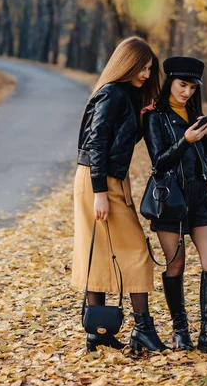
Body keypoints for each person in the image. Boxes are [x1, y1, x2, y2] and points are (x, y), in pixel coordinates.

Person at [71, 36, 167, 353]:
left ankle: (97, 333)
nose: (146, 73)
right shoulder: (112, 94)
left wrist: (142, 121)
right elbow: (96, 145)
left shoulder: (125, 96)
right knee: (137, 252)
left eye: (150, 68)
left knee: (100, 254)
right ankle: (143, 329)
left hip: (110, 181)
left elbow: (118, 142)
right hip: (98, 182)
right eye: (142, 67)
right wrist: (100, 192)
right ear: (127, 63)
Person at [143, 56, 207, 357]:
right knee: (176, 264)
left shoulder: (195, 113)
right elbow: (159, 161)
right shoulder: (154, 115)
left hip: (199, 195)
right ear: (170, 82)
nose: (187, 93)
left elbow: (203, 159)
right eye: (182, 86)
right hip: (169, 197)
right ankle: (180, 330)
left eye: (192, 88)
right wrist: (184, 140)